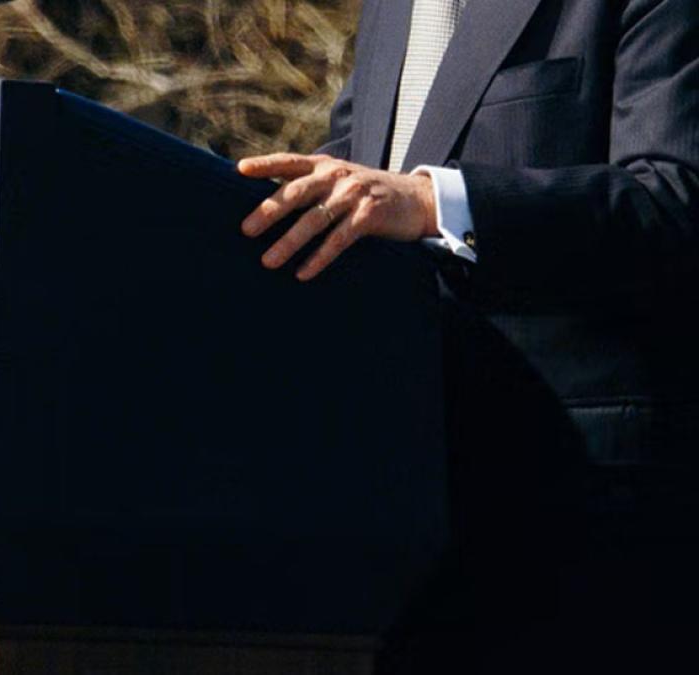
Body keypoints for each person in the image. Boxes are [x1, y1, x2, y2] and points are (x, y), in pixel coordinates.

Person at [236, 1, 699, 672]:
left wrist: (434, 204)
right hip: (391, 520)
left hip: (574, 521)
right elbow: (347, 191)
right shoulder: (393, 10)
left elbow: (672, 198)